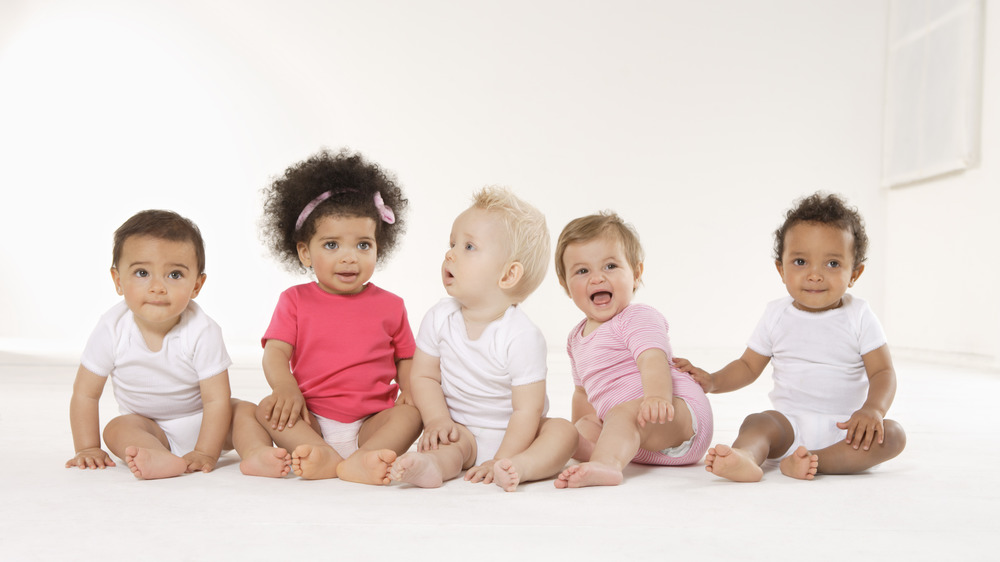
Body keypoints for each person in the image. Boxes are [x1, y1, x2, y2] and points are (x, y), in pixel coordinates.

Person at [675, 192, 906, 482]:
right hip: (789, 425)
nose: (815, 275)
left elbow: (883, 371)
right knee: (757, 422)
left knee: (894, 435)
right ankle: (746, 456)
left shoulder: (859, 315)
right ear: (780, 269)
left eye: (832, 264)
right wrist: (713, 381)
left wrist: (873, 409)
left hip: (847, 429)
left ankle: (815, 462)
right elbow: (747, 366)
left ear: (855, 273)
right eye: (800, 262)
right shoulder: (776, 315)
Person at [66, 210, 291, 480]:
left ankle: (255, 452)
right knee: (117, 428)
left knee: (243, 411)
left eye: (174, 275)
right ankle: (156, 455)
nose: (158, 287)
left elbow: (216, 399)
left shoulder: (202, 329)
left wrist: (206, 452)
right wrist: (87, 447)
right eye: (142, 273)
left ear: (197, 285)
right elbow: (86, 394)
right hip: (148, 427)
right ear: (118, 281)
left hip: (207, 422)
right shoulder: (111, 329)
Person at [388, 187, 577, 492]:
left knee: (563, 432)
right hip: (461, 429)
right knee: (453, 446)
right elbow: (423, 376)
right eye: (452, 243)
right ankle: (432, 466)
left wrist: (501, 456)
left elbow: (526, 411)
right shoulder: (439, 317)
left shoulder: (521, 335)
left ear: (508, 275)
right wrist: (437, 421)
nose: (450, 253)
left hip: (521, 433)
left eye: (468, 246)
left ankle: (519, 466)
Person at [258, 148, 421, 484]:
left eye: (363, 245)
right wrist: (285, 387)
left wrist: (410, 388)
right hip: (311, 416)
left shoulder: (391, 305)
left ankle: (363, 458)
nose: (349, 258)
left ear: (379, 245)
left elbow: (406, 358)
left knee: (412, 415)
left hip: (372, 421)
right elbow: (275, 352)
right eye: (332, 245)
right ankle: (319, 452)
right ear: (305, 251)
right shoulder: (295, 301)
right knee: (266, 408)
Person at [552, 212, 713, 488]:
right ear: (566, 285)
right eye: (582, 271)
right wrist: (584, 429)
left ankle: (607, 465)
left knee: (622, 413)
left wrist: (656, 397)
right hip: (637, 436)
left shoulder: (636, 317)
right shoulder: (574, 339)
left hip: (677, 415)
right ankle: (598, 452)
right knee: (575, 428)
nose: (597, 279)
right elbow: (582, 392)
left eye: (610, 266)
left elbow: (653, 359)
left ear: (636, 273)